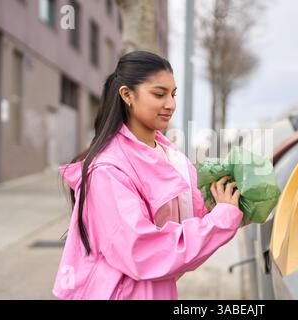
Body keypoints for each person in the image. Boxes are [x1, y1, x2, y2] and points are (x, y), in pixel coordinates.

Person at [53, 51, 243, 300]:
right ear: (127, 95)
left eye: (173, 94)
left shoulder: (169, 156)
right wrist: (220, 221)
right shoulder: (108, 171)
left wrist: (230, 205)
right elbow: (142, 251)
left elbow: (191, 213)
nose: (171, 104)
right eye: (159, 93)